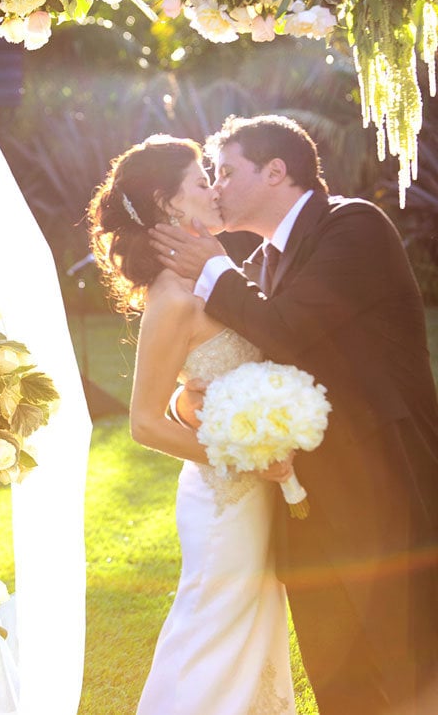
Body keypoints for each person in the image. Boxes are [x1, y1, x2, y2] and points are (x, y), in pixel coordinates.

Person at [149, 114, 438, 715]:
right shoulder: (264, 263)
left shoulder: (353, 226)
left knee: (410, 664)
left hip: (383, 491)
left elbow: (289, 329)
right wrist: (187, 399)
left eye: (226, 171)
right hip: (308, 506)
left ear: (275, 170)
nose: (216, 186)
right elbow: (244, 353)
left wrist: (210, 266)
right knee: (341, 681)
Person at [88, 134, 297, 715]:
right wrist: (245, 456)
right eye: (203, 182)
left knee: (253, 628)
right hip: (223, 496)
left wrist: (194, 399)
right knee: (208, 630)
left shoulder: (215, 268)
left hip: (257, 491)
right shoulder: (173, 296)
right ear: (170, 204)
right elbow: (143, 424)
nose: (216, 190)